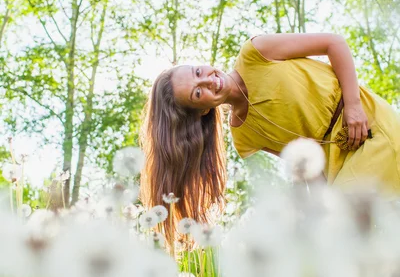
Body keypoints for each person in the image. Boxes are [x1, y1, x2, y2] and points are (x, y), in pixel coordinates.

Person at [140, 33, 400, 243]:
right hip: (338, 166)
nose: (208, 81)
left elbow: (335, 43)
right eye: (198, 94)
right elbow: (308, 165)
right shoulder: (244, 135)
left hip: (369, 127)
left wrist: (353, 106)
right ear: (202, 111)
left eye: (198, 72)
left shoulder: (257, 53)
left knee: (346, 225)